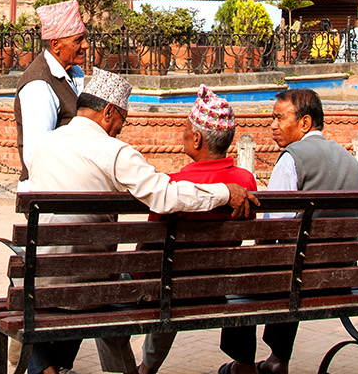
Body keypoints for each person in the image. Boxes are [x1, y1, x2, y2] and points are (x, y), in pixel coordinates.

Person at [25, 69, 258, 374]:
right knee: (104, 281)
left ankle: (50, 367)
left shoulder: (43, 146)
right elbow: (166, 196)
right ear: (109, 112)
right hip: (90, 283)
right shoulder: (113, 151)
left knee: (93, 279)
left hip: (38, 280)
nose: (122, 128)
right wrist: (223, 193)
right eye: (121, 119)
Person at [223, 88, 358, 374]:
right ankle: (278, 359)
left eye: (279, 118)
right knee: (292, 262)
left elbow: (272, 226)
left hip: (299, 276)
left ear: (304, 123)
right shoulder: (350, 160)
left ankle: (242, 364)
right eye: (272, 119)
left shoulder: (292, 159)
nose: (273, 125)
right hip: (342, 274)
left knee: (247, 271)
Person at [139, 86, 258, 374]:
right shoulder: (246, 181)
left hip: (174, 287)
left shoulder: (174, 184)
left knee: (163, 277)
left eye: (185, 129)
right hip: (222, 284)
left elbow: (149, 243)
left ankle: (146, 368)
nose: (182, 134)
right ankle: (244, 365)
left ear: (197, 138)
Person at [14, 0, 87, 185]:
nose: (85, 45)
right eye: (78, 40)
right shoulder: (38, 85)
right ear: (55, 45)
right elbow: (36, 154)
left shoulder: (73, 73)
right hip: (52, 193)